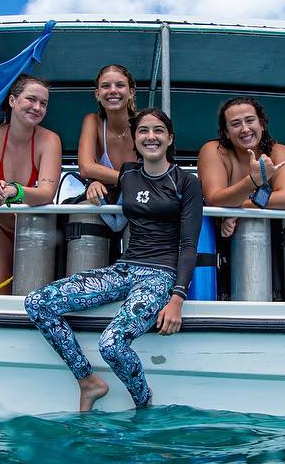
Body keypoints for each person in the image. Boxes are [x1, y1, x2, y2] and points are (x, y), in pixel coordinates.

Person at [25, 108, 201, 411]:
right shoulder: (129, 173)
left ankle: (143, 405)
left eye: (158, 130)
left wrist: (177, 298)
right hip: (125, 268)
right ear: (135, 138)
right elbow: (115, 220)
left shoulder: (185, 182)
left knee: (111, 344)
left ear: (170, 138)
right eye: (143, 130)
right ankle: (88, 381)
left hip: (160, 274)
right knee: (38, 303)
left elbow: (188, 245)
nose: (151, 136)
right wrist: (94, 187)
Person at [0, 74, 62, 294]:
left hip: (35, 228)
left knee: (34, 293)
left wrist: (14, 191)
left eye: (43, 103)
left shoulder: (50, 139)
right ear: (12, 101)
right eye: (31, 99)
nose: (37, 107)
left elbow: (47, 193)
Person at [198, 96, 285, 238]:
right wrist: (253, 181)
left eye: (250, 120)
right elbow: (214, 199)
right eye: (235, 124)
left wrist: (238, 209)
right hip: (225, 239)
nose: (245, 129)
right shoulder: (214, 150)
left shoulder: (279, 152)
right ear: (226, 132)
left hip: (274, 239)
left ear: (262, 124)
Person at [76, 64, 140, 189]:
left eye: (120, 85)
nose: (113, 90)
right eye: (106, 86)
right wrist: (95, 183)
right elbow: (85, 168)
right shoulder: (93, 121)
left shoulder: (144, 122)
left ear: (131, 92)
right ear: (97, 94)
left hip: (144, 202)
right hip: (107, 204)